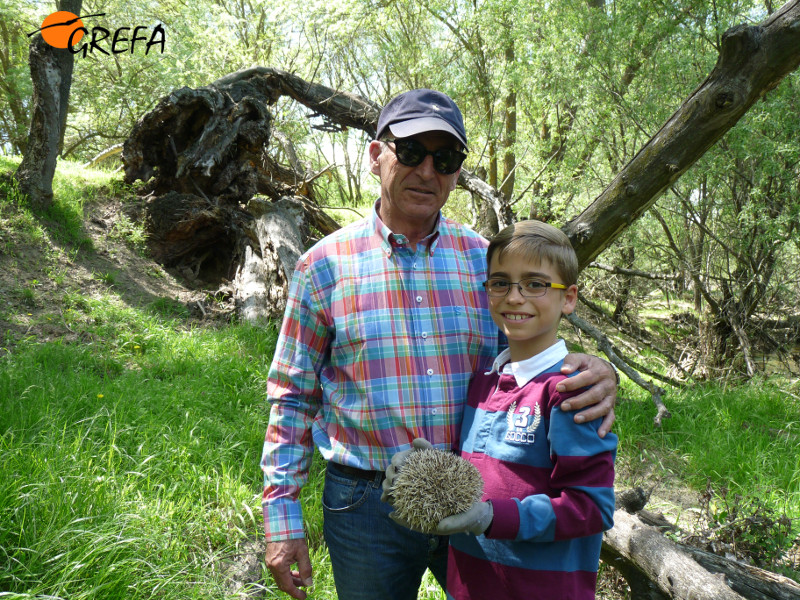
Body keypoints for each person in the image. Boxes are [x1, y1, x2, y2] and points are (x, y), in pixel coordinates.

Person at [260, 88, 618, 600]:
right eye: (410, 152)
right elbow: (292, 396)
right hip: (364, 504)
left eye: (445, 158)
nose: (427, 171)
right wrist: (281, 514)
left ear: (456, 172)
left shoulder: (487, 262)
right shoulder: (323, 267)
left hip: (476, 493)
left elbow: (528, 353)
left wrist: (595, 371)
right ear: (375, 154)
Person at [384, 220, 617, 600]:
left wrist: (492, 516)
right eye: (500, 283)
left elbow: (592, 506)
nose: (514, 296)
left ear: (569, 298)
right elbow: (485, 476)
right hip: (471, 586)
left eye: (536, 284)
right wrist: (427, 471)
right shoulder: (483, 383)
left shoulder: (572, 392)